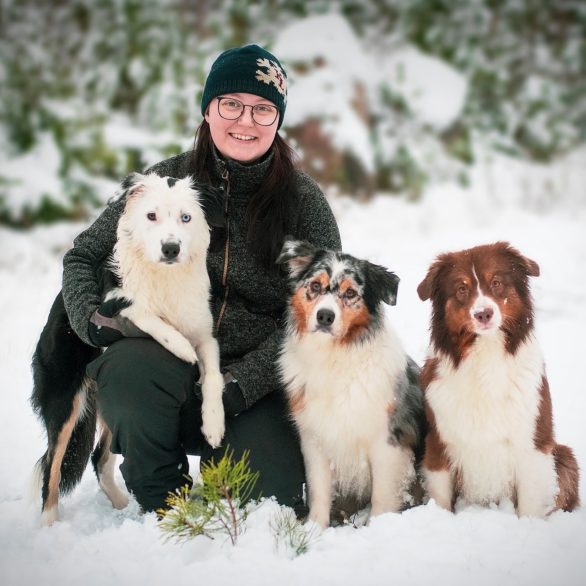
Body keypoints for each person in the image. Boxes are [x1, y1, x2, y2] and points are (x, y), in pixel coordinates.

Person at [61, 44, 341, 513]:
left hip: (258, 385)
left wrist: (242, 383)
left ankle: (235, 467)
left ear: (278, 120)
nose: (245, 121)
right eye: (231, 104)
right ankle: (161, 497)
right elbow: (83, 255)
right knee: (129, 371)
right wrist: (89, 318)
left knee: (263, 506)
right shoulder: (162, 182)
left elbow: (321, 312)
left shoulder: (303, 203)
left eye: (263, 109)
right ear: (208, 109)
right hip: (166, 361)